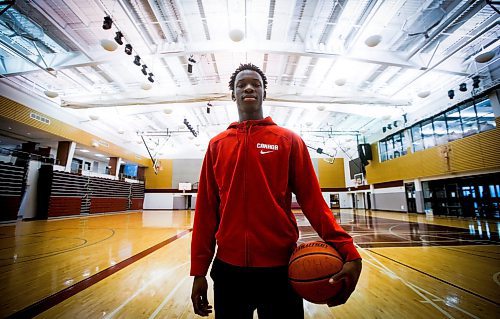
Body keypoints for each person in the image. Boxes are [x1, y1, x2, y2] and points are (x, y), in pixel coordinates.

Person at [190, 63, 362, 318]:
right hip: (229, 271)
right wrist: (198, 271)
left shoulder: (288, 140)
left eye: (256, 84)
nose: (249, 87)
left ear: (264, 93)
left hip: (282, 269)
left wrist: (349, 251)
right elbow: (205, 212)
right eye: (241, 84)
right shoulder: (217, 145)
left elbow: (313, 202)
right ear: (233, 94)